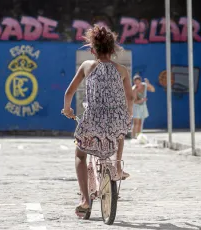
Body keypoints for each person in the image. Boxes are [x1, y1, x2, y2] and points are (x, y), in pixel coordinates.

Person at [61, 25, 134, 216]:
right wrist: (128, 115)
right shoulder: (122, 70)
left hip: (93, 120)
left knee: (80, 155)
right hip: (115, 120)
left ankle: (85, 199)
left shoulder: (87, 66)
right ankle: (117, 166)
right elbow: (130, 98)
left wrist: (67, 109)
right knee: (120, 131)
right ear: (112, 50)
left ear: (92, 50)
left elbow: (69, 92)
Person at [131, 74, 155, 139]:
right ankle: (133, 137)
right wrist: (141, 100)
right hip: (136, 107)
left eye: (139, 82)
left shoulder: (144, 85)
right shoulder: (133, 89)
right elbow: (134, 101)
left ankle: (139, 137)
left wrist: (148, 84)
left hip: (143, 106)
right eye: (136, 83)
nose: (137, 84)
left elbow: (153, 90)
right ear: (134, 82)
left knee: (140, 123)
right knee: (136, 123)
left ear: (141, 81)